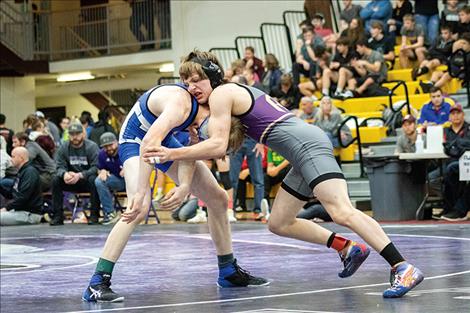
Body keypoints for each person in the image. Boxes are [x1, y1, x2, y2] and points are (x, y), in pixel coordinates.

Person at [145, 50, 425, 298]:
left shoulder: (221, 94)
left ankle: (402, 266)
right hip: (302, 152)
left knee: (341, 211)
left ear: (213, 76)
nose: (191, 87)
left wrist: (171, 153)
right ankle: (347, 248)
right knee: (279, 222)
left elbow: (218, 145)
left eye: (196, 80)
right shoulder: (229, 94)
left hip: (308, 147)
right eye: (186, 82)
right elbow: (228, 144)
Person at [82, 82, 268, 303]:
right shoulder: (181, 105)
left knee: (218, 198)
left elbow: (191, 150)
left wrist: (184, 186)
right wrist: (142, 189)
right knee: (138, 207)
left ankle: (228, 271)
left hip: (163, 138)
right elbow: (149, 145)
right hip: (137, 139)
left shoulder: (208, 115)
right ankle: (97, 283)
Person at [50, 123, 101, 225]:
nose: (75, 137)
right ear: (68, 135)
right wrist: (64, 174)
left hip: (85, 180)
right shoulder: (63, 147)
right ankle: (58, 216)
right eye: (72, 134)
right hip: (70, 179)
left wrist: (80, 175)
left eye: (77, 134)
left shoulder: (92, 146)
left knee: (94, 180)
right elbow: (59, 166)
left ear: (83, 134)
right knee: (55, 180)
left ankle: (94, 215)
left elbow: (96, 167)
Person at [440, 104, 470, 221]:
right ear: (449, 117)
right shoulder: (446, 130)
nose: (456, 116)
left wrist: (455, 146)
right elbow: (446, 148)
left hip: (466, 161)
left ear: (463, 115)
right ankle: (450, 208)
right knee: (434, 177)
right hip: (450, 161)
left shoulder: (468, 128)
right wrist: (457, 147)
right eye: (453, 113)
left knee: (451, 170)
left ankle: (458, 209)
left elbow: (465, 146)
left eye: (458, 113)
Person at [0, 147, 43, 226]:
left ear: (21, 158)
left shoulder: (30, 172)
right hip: (21, 211)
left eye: (13, 156)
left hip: (30, 214)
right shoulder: (22, 172)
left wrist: (6, 208)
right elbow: (11, 194)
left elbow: (23, 197)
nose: (10, 159)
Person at [95, 132, 124, 225]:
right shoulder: (102, 154)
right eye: (105, 146)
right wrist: (102, 171)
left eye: (110, 145)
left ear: (116, 142)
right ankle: (110, 213)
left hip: (133, 181)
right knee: (99, 181)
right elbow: (100, 168)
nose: (108, 148)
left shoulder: (124, 150)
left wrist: (129, 168)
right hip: (118, 180)